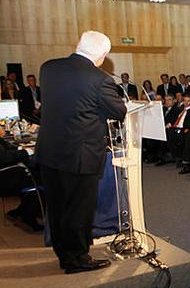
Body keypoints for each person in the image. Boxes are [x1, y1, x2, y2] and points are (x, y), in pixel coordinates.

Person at [36, 31, 127, 274]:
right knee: (79, 208)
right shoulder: (100, 79)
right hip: (80, 155)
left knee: (57, 206)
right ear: (102, 55)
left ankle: (63, 252)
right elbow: (118, 111)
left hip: (50, 151)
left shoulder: (48, 68)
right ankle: (77, 259)